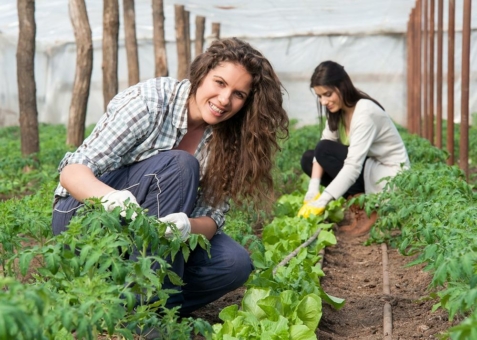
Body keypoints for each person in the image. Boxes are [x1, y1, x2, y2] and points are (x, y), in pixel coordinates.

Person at [52, 37, 289, 316]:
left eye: (239, 94)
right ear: (201, 74)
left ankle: (123, 304)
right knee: (180, 165)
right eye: (220, 83)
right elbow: (72, 171)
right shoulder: (151, 101)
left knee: (234, 263)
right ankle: (153, 314)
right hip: (86, 219)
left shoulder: (231, 139)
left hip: (148, 237)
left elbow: (213, 216)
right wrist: (111, 198)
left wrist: (186, 226)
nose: (225, 100)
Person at [301, 60, 410, 232]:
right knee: (309, 158)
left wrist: (323, 200)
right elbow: (320, 150)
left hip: (388, 175)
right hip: (369, 169)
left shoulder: (364, 112)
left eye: (327, 94)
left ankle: (368, 210)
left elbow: (352, 166)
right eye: (320, 96)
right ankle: (358, 205)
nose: (323, 101)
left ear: (342, 86)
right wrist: (313, 189)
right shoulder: (338, 112)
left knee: (324, 150)